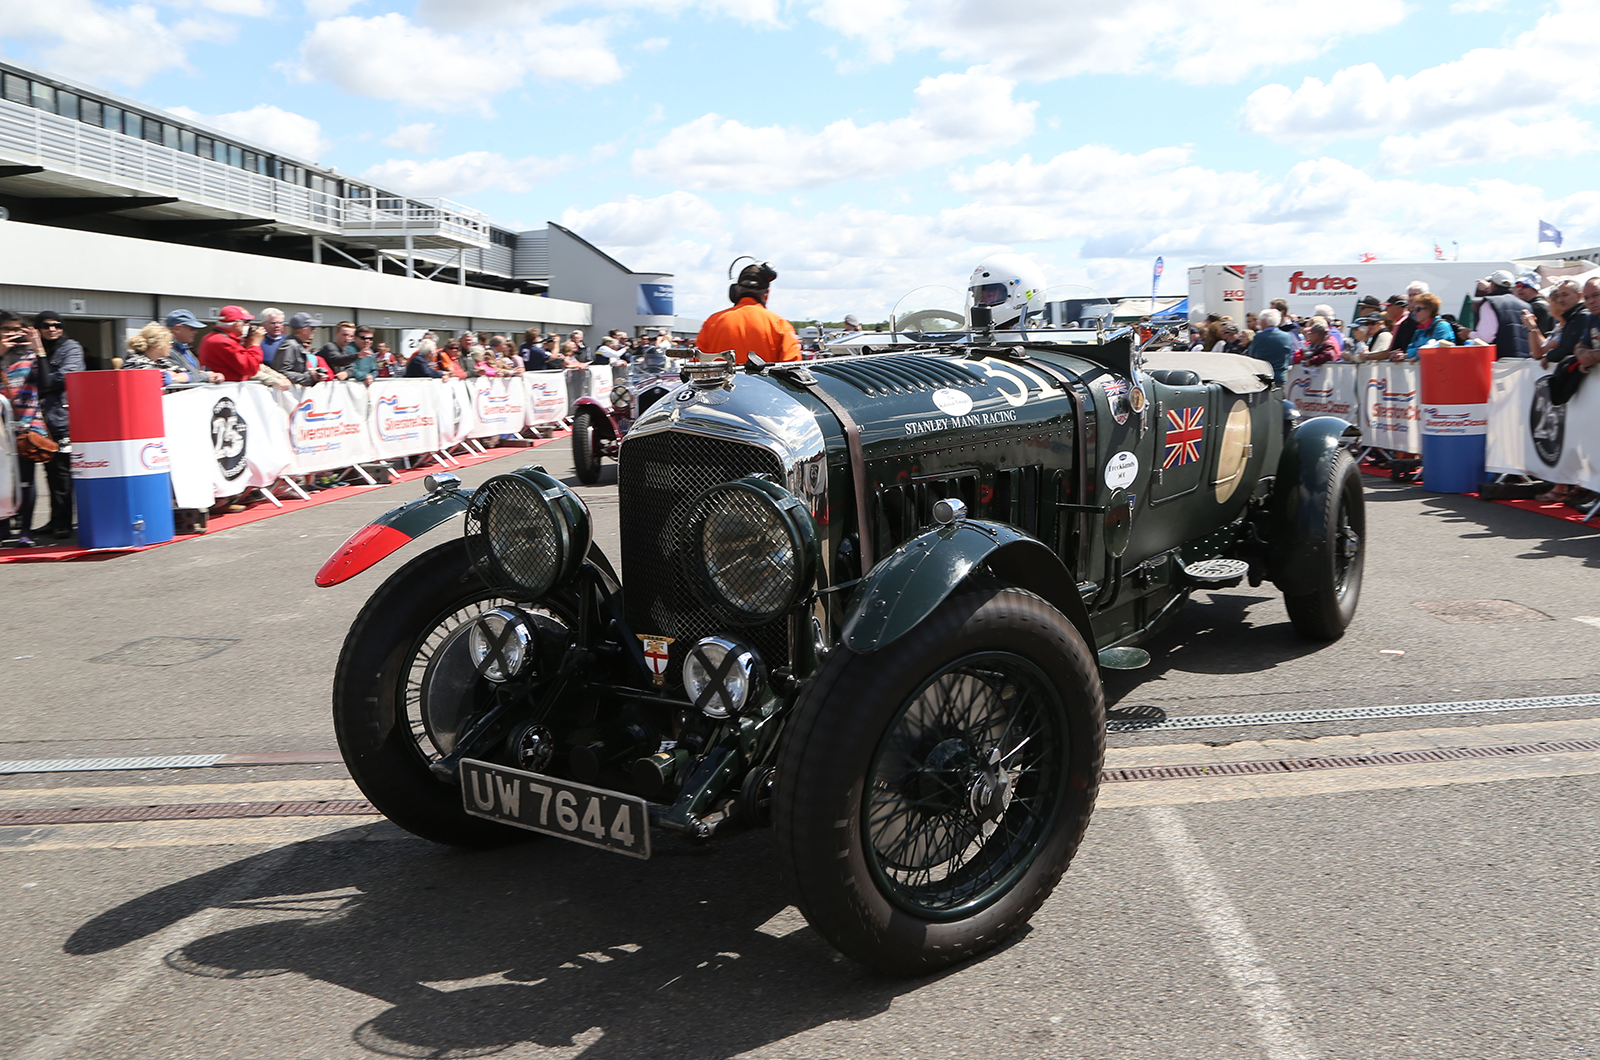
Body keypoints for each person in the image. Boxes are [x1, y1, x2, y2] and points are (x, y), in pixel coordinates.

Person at [695, 260, 803, 364]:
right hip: (763, 383)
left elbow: (697, 363)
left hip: (720, 383)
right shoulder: (779, 324)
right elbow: (792, 366)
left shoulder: (712, 322)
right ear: (767, 293)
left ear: (734, 291)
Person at [1471, 269, 1530, 358]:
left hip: (1499, 360)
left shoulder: (1490, 303)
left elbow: (1485, 337)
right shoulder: (1526, 305)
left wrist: (1468, 334)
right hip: (1524, 360)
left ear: (1493, 285)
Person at [199, 306, 265, 381]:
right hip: (227, 389)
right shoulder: (224, 342)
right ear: (236, 324)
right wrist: (255, 343)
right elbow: (251, 369)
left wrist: (247, 343)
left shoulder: (210, 337)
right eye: (245, 322)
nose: (248, 326)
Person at [122, 323, 192, 385]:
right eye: (169, 343)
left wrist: (171, 378)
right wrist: (171, 376)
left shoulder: (161, 361)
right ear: (157, 345)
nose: (171, 346)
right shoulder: (134, 362)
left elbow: (188, 375)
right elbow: (160, 379)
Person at [273, 313, 323, 386]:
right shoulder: (290, 345)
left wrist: (313, 373)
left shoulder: (297, 345)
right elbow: (282, 373)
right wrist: (309, 377)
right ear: (304, 330)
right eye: (312, 328)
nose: (314, 331)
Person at [1399, 293, 1452, 360]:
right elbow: (1409, 350)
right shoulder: (1419, 330)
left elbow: (1439, 349)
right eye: (1413, 309)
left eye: (1418, 309)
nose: (1414, 312)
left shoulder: (1441, 326)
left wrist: (1418, 355)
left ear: (1429, 310)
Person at [1247, 308, 1293, 384]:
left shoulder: (1259, 337)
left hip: (1262, 378)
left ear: (1264, 322)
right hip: (1280, 377)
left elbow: (1251, 355)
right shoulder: (1287, 336)